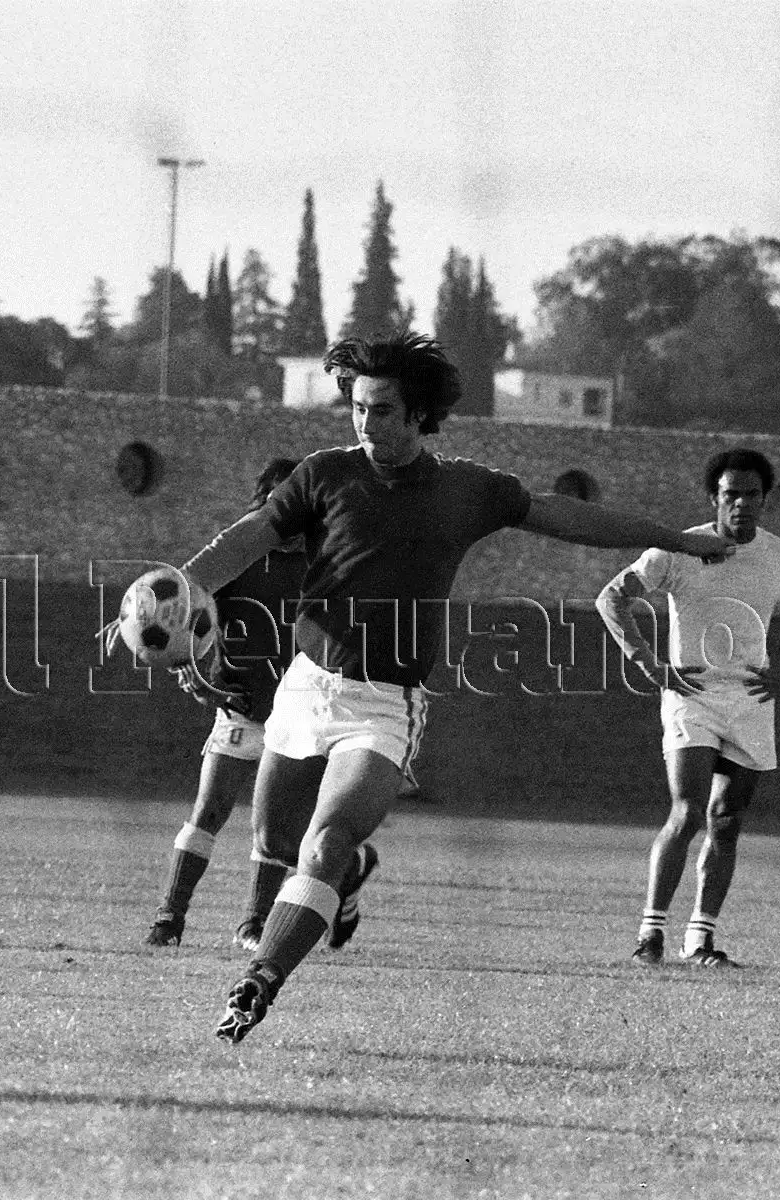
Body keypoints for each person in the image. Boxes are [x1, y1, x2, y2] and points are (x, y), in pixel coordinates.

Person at [179, 333, 734, 1043]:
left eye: (381, 411)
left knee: (324, 840)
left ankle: (258, 982)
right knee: (275, 840)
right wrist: (183, 585)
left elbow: (566, 516)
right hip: (303, 690)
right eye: (356, 408)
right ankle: (341, 886)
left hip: (384, 707)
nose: (365, 424)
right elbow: (252, 535)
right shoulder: (323, 475)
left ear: (418, 417)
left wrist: (677, 539)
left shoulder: (465, 489)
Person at [596, 447, 780, 968]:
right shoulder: (680, 549)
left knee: (727, 820)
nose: (742, 503)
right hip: (692, 697)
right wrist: (649, 663)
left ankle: (699, 941)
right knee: (686, 813)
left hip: (750, 703)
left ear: (766, 500)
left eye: (752, 494)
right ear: (715, 498)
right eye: (732, 494)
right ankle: (650, 935)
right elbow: (612, 597)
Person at [146, 458, 380, 953]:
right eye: (280, 501)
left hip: (301, 717)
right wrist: (190, 672)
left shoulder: (326, 563)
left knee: (285, 835)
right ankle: (169, 918)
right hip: (241, 705)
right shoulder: (242, 560)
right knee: (209, 810)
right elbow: (184, 614)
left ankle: (257, 922)